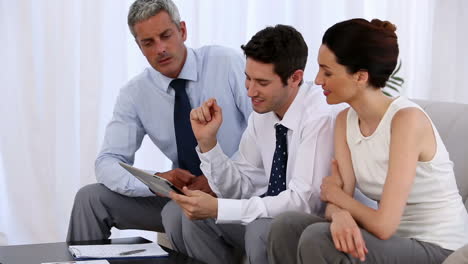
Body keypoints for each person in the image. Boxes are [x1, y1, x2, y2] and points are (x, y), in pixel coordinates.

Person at [268, 18, 468, 264]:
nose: (318, 80)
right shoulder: (344, 121)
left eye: (327, 72)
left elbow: (383, 224)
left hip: (438, 247)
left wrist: (339, 200)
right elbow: (334, 201)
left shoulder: (406, 121)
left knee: (318, 238)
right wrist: (340, 213)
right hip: (391, 241)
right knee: (286, 225)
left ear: (361, 77)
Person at [66, 0, 252, 242]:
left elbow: (265, 131)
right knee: (90, 198)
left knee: (179, 212)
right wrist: (157, 181)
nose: (160, 49)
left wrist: (221, 176)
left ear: (182, 31)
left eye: (166, 36)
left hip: (234, 193)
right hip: (182, 196)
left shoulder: (225, 63)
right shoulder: (135, 93)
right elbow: (107, 162)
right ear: (139, 47)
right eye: (148, 43)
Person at [164, 24, 341, 264]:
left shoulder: (319, 116)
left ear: (295, 78)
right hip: (270, 217)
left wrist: (219, 208)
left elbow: (302, 203)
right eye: (248, 78)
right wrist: (208, 143)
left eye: (262, 82)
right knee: (181, 216)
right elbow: (241, 188)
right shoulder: (263, 114)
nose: (250, 92)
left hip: (310, 223)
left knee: (261, 230)